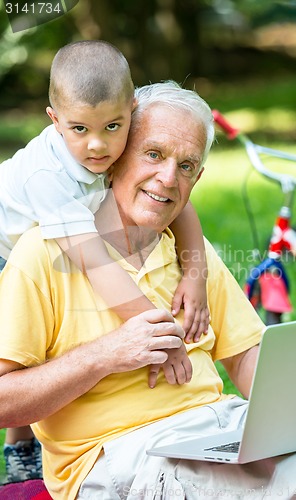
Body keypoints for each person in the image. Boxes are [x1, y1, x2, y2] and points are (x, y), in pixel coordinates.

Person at [0, 81, 296, 500]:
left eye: (187, 166)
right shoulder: (41, 252)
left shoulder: (189, 253)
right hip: (118, 455)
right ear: (117, 155)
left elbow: (247, 354)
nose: (168, 178)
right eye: (153, 154)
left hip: (218, 428)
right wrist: (106, 354)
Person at [0, 41, 209, 482]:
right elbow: (95, 263)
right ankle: (20, 453)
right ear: (54, 121)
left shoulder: (115, 143)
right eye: (79, 130)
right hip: (3, 249)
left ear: (131, 111)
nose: (97, 145)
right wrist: (162, 336)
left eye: (113, 126)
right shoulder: (48, 178)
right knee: (21, 346)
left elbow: (180, 203)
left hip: (50, 237)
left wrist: (196, 274)